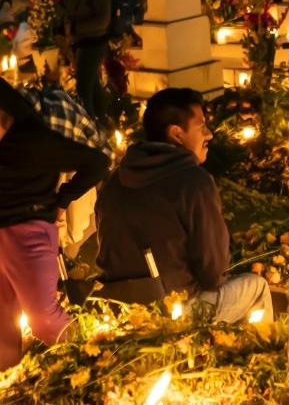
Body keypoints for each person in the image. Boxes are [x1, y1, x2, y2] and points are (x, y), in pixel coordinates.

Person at [96, 88, 272, 323]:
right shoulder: (193, 182)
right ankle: (254, 355)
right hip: (174, 311)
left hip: (119, 309)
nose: (208, 135)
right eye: (201, 127)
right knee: (256, 288)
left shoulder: (114, 181)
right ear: (177, 134)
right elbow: (212, 273)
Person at [0, 78, 110, 370]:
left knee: (44, 318)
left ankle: (93, 363)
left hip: (27, 231)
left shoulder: (33, 140)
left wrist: (63, 199)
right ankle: (8, 380)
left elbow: (98, 162)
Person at [65, 0, 112, 120]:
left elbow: (103, 20)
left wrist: (76, 28)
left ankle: (89, 126)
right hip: (80, 42)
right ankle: (105, 120)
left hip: (93, 42)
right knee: (93, 86)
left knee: (84, 88)